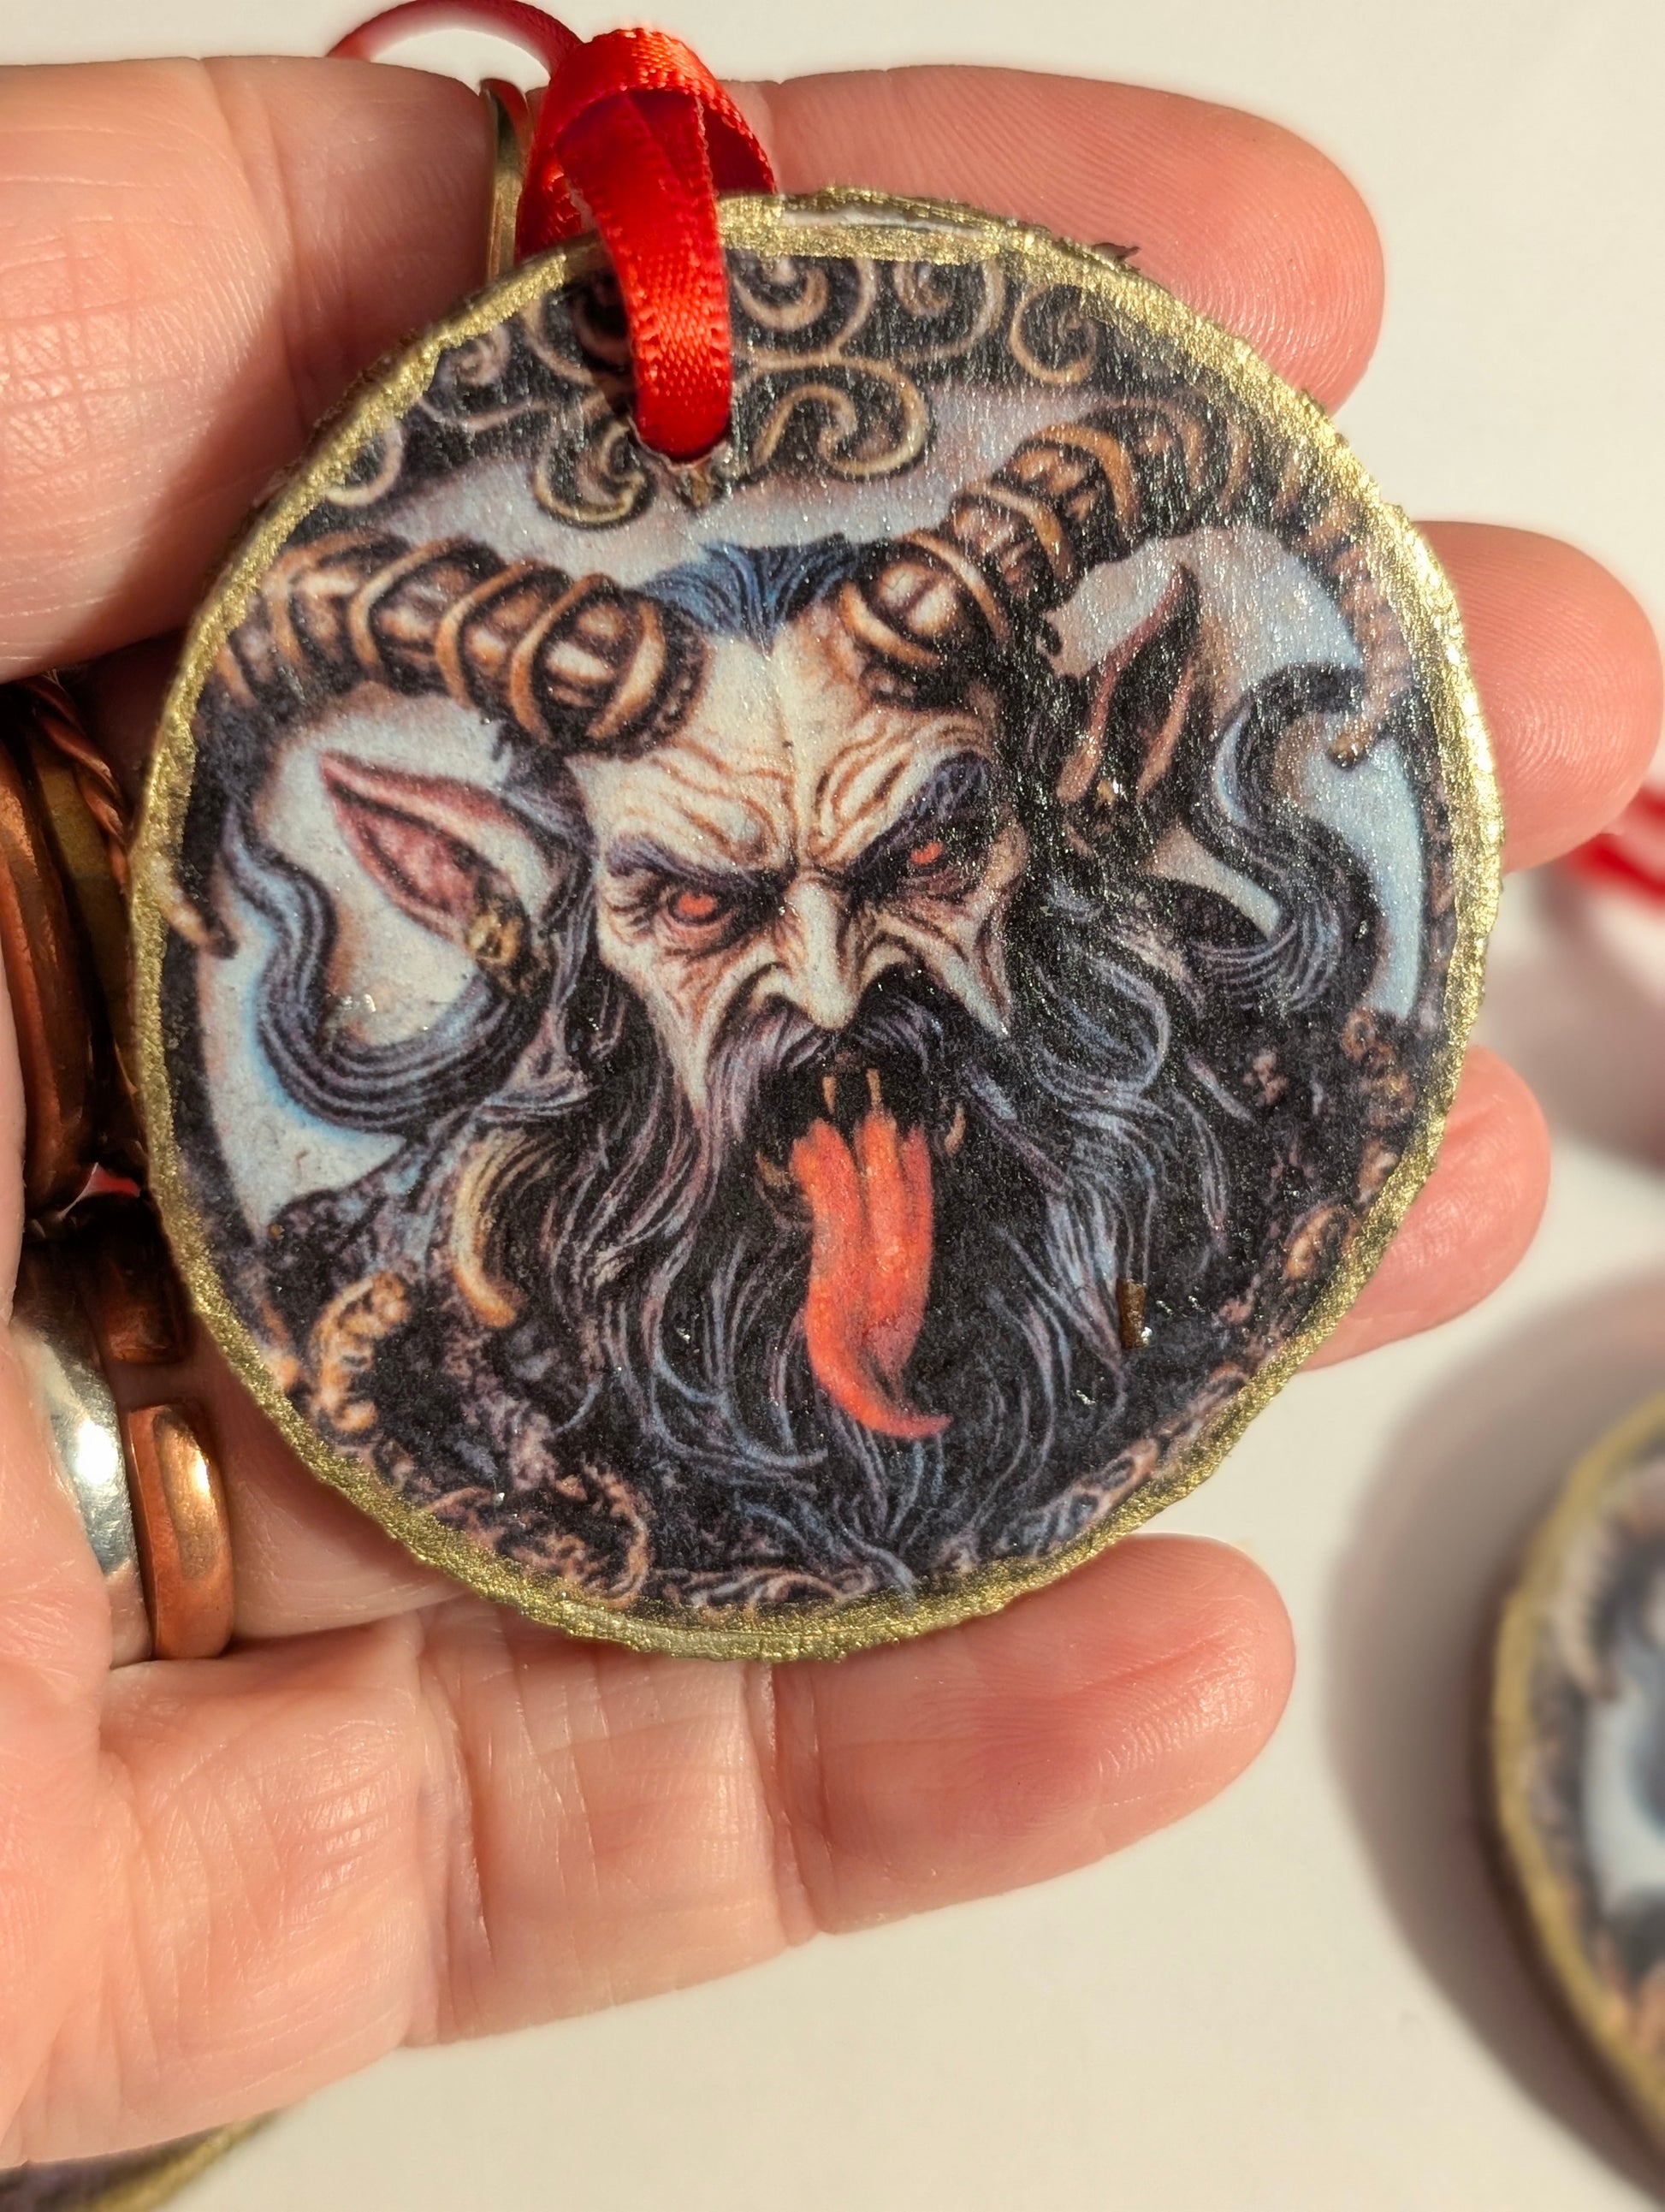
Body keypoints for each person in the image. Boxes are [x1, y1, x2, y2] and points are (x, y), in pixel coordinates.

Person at [0, 52, 1657, 2166]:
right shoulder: (437, 1339)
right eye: (700, 905)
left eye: (919, 859)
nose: (829, 986)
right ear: (473, 885)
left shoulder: (1216, 1159)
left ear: (1081, 772)